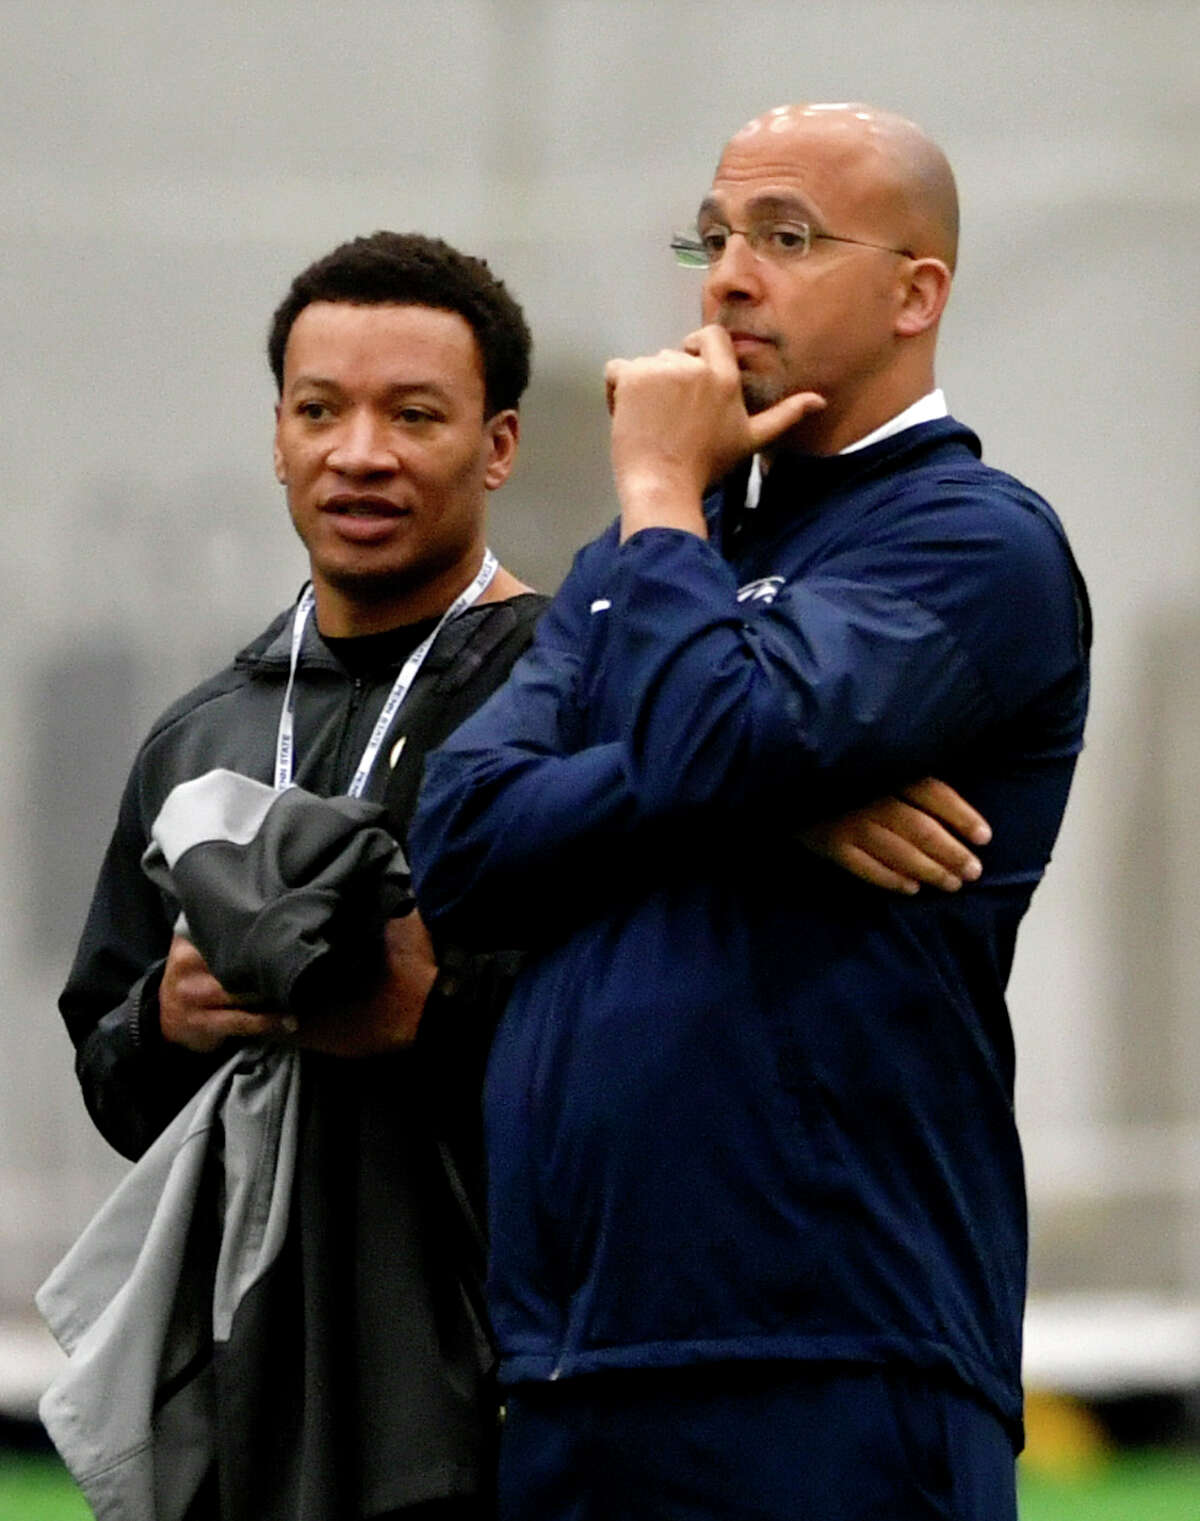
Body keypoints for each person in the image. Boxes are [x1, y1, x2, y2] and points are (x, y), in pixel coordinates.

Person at [57, 226, 982, 1521]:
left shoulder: (584, 683)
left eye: (413, 413)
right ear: (277, 436)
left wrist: (774, 801)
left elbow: (680, 1001)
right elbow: (111, 1072)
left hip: (544, 1383)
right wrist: (167, 1017)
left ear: (496, 447)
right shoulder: (199, 736)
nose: (359, 451)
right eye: (320, 410)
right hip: (262, 1396)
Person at [410, 104, 1092, 1521]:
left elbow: (717, 734)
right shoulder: (640, 562)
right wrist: (764, 801)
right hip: (575, 1358)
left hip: (832, 1357)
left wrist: (660, 491)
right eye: (712, 237)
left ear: (918, 293)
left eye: (785, 237)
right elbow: (464, 842)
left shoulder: (975, 541)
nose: (725, 278)